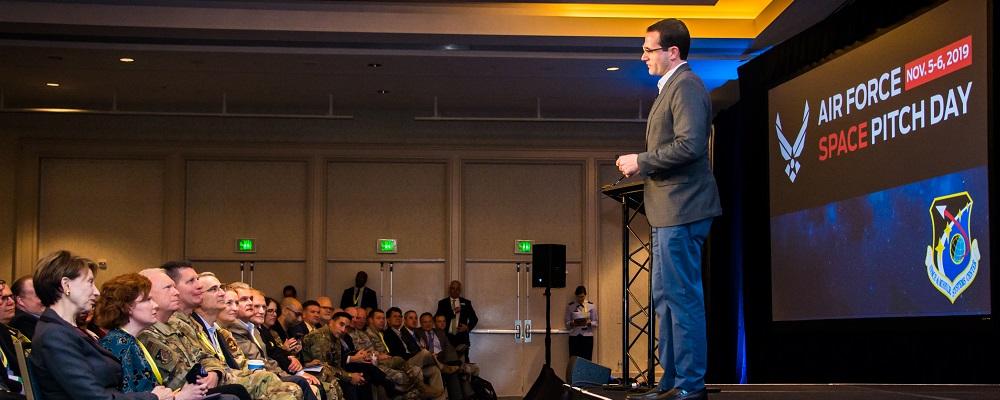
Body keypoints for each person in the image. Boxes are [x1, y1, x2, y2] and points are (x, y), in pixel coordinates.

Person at [617, 18, 720, 400]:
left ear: (672, 52)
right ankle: (670, 383)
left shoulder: (686, 86)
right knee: (665, 299)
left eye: (649, 50)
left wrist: (641, 162)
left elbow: (690, 145)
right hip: (667, 212)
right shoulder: (671, 88)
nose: (643, 57)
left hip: (683, 208)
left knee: (682, 298)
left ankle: (690, 385)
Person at [29, 250, 162, 400]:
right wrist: (152, 397)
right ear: (66, 285)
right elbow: (93, 397)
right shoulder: (54, 335)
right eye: (90, 282)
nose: (96, 292)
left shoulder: (67, 330)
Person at [95, 273, 207, 399]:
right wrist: (180, 397)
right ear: (127, 307)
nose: (155, 305)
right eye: (147, 300)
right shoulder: (120, 344)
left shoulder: (129, 340)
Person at [434, 281, 478, 361]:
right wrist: (452, 312)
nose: (455, 291)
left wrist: (467, 327)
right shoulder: (442, 303)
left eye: (457, 289)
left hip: (462, 338)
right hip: (447, 338)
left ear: (460, 290)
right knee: (448, 362)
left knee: (464, 362)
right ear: (449, 289)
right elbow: (437, 318)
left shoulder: (466, 303)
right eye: (453, 288)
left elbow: (474, 319)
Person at [0, 279, 28, 399]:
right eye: (3, 298)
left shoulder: (10, 332)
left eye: (11, 297)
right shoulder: (22, 322)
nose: (11, 302)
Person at [565, 285, 598, 361]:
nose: (581, 299)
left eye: (582, 296)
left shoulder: (591, 306)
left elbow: (595, 322)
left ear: (585, 295)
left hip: (587, 336)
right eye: (579, 297)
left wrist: (589, 323)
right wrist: (572, 323)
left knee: (587, 359)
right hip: (574, 336)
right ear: (576, 296)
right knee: (574, 359)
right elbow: (567, 323)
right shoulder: (570, 306)